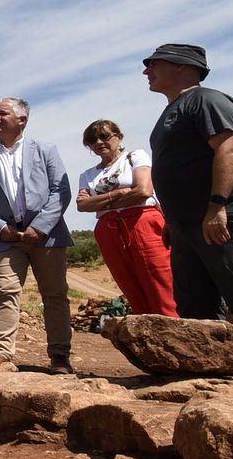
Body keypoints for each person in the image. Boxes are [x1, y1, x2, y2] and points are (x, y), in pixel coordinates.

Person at [144, 44, 233, 379]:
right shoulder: (172, 110)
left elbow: (229, 148)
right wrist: (172, 221)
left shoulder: (206, 100)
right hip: (187, 225)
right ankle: (211, 382)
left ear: (182, 67)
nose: (146, 70)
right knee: (196, 308)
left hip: (224, 217)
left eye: (154, 63)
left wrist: (218, 205)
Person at [0, 98, 75, 373]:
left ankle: (60, 356)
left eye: (3, 113)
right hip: (5, 239)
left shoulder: (45, 150)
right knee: (5, 292)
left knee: (54, 295)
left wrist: (39, 227)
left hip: (46, 236)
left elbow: (60, 190)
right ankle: (2, 355)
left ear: (22, 120)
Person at [75, 119, 178, 317]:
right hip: (109, 229)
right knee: (129, 284)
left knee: (160, 280)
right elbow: (82, 205)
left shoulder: (135, 157)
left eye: (104, 136)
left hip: (142, 222)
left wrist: (100, 201)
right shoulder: (87, 174)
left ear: (119, 137)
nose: (98, 142)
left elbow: (144, 190)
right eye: (91, 140)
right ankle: (147, 340)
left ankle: (176, 334)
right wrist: (117, 194)